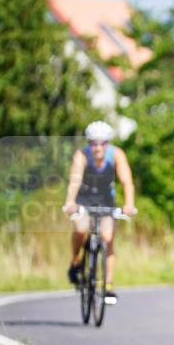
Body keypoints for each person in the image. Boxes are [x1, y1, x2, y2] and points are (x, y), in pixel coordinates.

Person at [62, 121, 137, 302]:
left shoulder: (117, 155)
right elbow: (74, 180)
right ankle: (75, 261)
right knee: (81, 229)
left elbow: (127, 181)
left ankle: (108, 286)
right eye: (93, 143)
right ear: (89, 143)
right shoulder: (81, 156)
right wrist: (70, 202)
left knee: (107, 237)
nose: (97, 147)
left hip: (106, 200)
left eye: (102, 143)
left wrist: (129, 204)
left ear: (108, 143)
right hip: (85, 198)